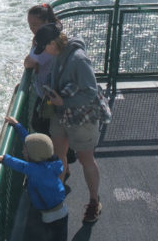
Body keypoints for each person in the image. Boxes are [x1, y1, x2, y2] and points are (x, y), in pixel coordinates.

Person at [34, 23, 104, 224]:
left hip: (81, 117)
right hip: (61, 113)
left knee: (86, 160)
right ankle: (57, 195)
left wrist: (63, 101)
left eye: (44, 47)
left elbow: (91, 92)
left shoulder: (78, 59)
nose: (45, 52)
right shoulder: (59, 53)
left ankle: (94, 202)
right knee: (59, 155)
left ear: (53, 42)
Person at [0, 116, 68, 241]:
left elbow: (20, 165)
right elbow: (31, 142)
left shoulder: (35, 170)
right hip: (61, 210)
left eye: (25, 149)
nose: (23, 150)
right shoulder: (50, 162)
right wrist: (17, 125)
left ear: (33, 155)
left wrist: (3, 158)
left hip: (50, 216)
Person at [24, 4, 60, 134]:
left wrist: (32, 57)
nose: (31, 28)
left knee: (42, 127)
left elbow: (28, 63)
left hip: (50, 94)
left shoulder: (48, 43)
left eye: (35, 24)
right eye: (29, 24)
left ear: (46, 22)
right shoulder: (53, 33)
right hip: (49, 91)